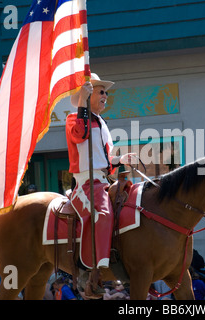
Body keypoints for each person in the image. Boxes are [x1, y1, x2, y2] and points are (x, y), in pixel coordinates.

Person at [66, 73, 134, 292]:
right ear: (87, 94)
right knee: (103, 215)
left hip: (102, 181)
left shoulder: (101, 122)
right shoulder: (73, 118)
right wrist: (81, 105)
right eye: (101, 91)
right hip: (85, 185)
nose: (106, 95)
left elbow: (103, 159)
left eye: (106, 92)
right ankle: (88, 269)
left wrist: (119, 160)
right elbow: (80, 134)